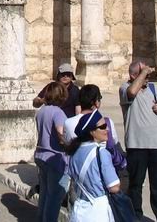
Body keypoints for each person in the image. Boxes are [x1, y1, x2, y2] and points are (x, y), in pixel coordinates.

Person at [119, 62, 157, 222]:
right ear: (134, 75)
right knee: (135, 186)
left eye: (148, 75)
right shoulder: (125, 88)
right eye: (144, 75)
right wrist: (145, 71)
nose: (148, 78)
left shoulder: (153, 89)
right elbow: (132, 92)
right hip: (137, 146)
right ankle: (135, 217)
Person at [67, 111, 121, 221]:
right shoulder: (101, 153)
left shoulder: (74, 153)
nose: (107, 129)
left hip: (79, 211)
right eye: (103, 127)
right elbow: (114, 187)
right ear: (92, 132)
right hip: (98, 212)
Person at [65, 84, 126, 173]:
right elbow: (114, 144)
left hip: (77, 169)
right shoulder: (106, 122)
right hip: (101, 169)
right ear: (97, 102)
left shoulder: (68, 122)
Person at [34, 81, 69, 222]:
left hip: (41, 154)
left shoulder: (42, 111)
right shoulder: (58, 113)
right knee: (54, 197)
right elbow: (61, 133)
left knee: (44, 194)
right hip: (54, 157)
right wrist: (69, 143)